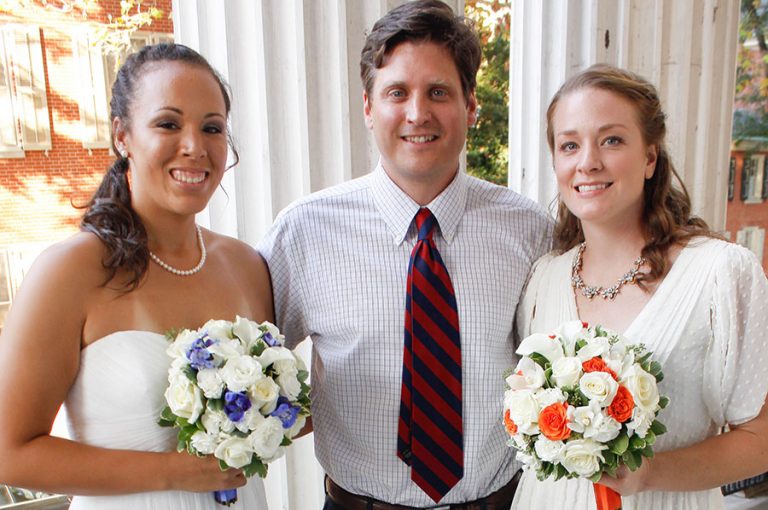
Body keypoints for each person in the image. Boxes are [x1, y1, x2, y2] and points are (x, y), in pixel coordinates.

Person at [258, 1, 552, 508]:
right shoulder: (303, 233)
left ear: (471, 106)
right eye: (397, 92)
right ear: (369, 107)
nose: (418, 113)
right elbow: (250, 366)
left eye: (438, 91)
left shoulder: (529, 231)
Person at [0, 43, 272, 509]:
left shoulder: (246, 265)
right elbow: (9, 452)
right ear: (122, 136)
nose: (194, 146)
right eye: (168, 124)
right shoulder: (70, 271)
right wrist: (176, 473)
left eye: (212, 128)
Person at [511, 63, 768, 509]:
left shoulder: (721, 273)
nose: (588, 161)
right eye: (570, 144)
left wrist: (651, 473)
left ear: (650, 157)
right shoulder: (543, 278)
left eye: (611, 140)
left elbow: (760, 438)